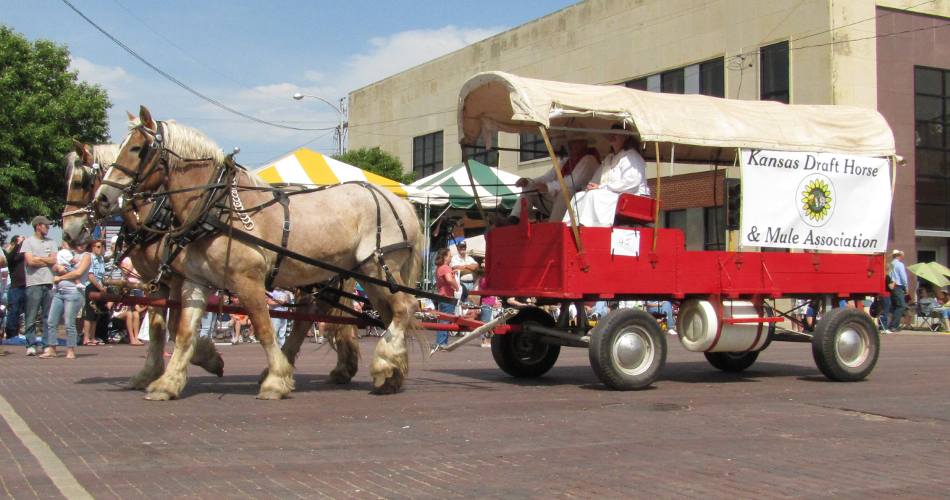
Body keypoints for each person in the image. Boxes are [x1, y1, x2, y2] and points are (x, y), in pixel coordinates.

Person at [563, 124, 650, 227]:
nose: (612, 136)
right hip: (614, 194)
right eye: (611, 134)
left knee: (594, 196)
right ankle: (570, 226)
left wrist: (602, 187)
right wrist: (591, 186)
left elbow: (632, 182)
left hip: (632, 197)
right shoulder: (609, 158)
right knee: (579, 196)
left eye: (617, 134)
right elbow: (596, 179)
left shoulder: (631, 156)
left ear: (626, 137)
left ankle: (592, 226)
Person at [508, 138, 600, 224]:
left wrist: (548, 187)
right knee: (529, 187)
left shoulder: (589, 159)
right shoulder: (566, 160)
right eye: (571, 143)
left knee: (567, 191)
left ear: (584, 144)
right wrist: (529, 182)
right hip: (560, 203)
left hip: (578, 205)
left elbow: (573, 181)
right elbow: (548, 177)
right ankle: (514, 219)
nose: (572, 146)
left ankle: (553, 225)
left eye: (575, 143)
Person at [41, 241, 91, 359]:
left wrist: (60, 277)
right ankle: (52, 348)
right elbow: (54, 265)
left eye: (82, 242)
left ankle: (70, 349)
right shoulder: (67, 253)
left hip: (73, 292)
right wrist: (57, 267)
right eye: (77, 241)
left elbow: (78, 273)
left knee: (69, 322)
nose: (79, 244)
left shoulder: (86, 256)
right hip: (59, 291)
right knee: (51, 321)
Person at [20, 216, 58, 356]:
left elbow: (54, 259)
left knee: (48, 316)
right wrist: (45, 260)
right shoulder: (28, 242)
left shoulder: (52, 242)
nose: (48, 228)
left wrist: (39, 258)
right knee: (31, 315)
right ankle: (31, 344)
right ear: (38, 226)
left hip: (48, 282)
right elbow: (30, 262)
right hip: (33, 282)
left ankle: (46, 344)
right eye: (46, 225)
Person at [82, 240, 107, 346]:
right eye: (98, 246)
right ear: (92, 247)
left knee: (97, 313)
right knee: (90, 313)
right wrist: (100, 287)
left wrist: (104, 286)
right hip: (91, 286)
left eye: (101, 247)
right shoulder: (89, 257)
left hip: (100, 286)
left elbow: (102, 274)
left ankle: (93, 337)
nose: (100, 248)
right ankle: (86, 338)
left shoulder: (101, 259)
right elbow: (90, 276)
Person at [2, 235, 26, 340]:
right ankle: (11, 334)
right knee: (14, 311)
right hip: (15, 287)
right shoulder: (12, 255)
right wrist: (18, 244)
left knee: (25, 311)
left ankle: (23, 332)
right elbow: (9, 258)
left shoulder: (24, 254)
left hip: (27, 285)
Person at [434, 248, 459, 348]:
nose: (451, 257)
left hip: (441, 295)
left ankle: (441, 342)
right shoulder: (445, 267)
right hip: (447, 296)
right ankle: (442, 343)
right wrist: (456, 286)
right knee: (446, 320)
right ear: (445, 257)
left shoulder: (439, 268)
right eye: (450, 256)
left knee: (443, 320)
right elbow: (449, 279)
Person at [887, 249, 909, 333]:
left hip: (891, 286)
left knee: (894, 306)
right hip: (898, 286)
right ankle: (893, 326)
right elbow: (903, 276)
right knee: (901, 306)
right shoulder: (900, 265)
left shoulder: (890, 264)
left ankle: (889, 325)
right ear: (899, 256)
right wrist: (906, 286)